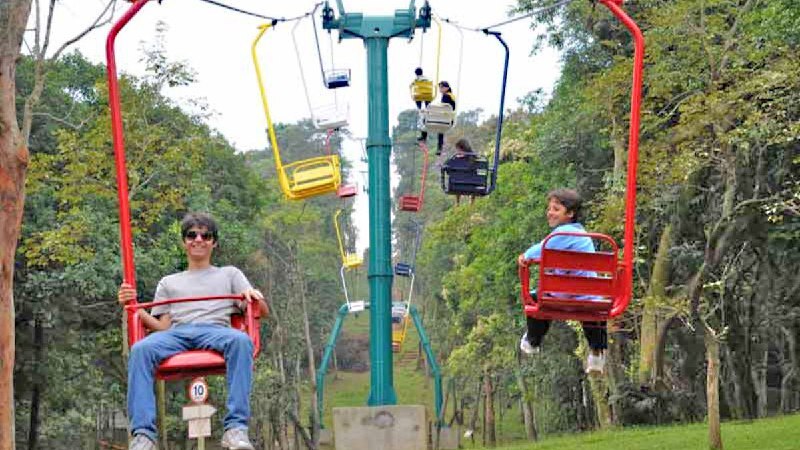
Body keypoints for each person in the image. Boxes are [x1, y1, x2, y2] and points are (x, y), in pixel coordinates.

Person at [118, 213, 269, 450]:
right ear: (184, 242)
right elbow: (162, 327)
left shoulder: (229, 274)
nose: (198, 239)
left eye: (205, 235)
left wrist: (253, 296)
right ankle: (144, 436)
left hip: (215, 331)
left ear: (214, 242)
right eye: (192, 235)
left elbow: (261, 310)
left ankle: (235, 429)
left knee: (241, 341)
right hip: (177, 333)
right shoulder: (169, 282)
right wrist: (133, 306)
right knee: (140, 349)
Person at [516, 189, 607, 374]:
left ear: (570, 213)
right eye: (549, 208)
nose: (550, 212)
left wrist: (525, 256)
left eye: (556, 209)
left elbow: (539, 250)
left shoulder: (561, 235)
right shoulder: (583, 236)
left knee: (535, 299)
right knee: (593, 311)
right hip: (587, 295)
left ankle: (533, 340)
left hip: (561, 294)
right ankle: (596, 352)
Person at [419, 81, 456, 156]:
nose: (440, 89)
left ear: (447, 88)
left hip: (442, 119)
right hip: (448, 121)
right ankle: (439, 148)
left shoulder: (446, 96)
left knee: (424, 120)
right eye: (440, 87)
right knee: (441, 130)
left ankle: (424, 137)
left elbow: (443, 108)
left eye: (442, 87)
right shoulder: (452, 97)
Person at [449, 138, 478, 206]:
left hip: (458, 185)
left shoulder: (455, 159)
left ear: (460, 149)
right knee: (472, 178)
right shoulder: (475, 158)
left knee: (457, 178)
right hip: (472, 186)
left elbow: (448, 170)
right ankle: (472, 201)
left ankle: (457, 202)